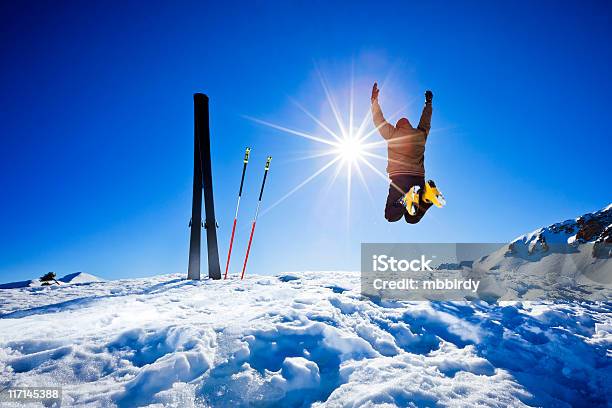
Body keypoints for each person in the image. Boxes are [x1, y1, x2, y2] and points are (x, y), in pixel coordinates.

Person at [371, 82, 445, 224]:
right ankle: (426, 197)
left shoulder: (392, 133)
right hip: (418, 179)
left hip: (400, 179)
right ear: (409, 125)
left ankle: (407, 198)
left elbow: (378, 120)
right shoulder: (419, 135)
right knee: (411, 218)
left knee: (391, 215)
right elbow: (425, 121)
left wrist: (374, 101)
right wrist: (428, 103)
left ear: (398, 126)